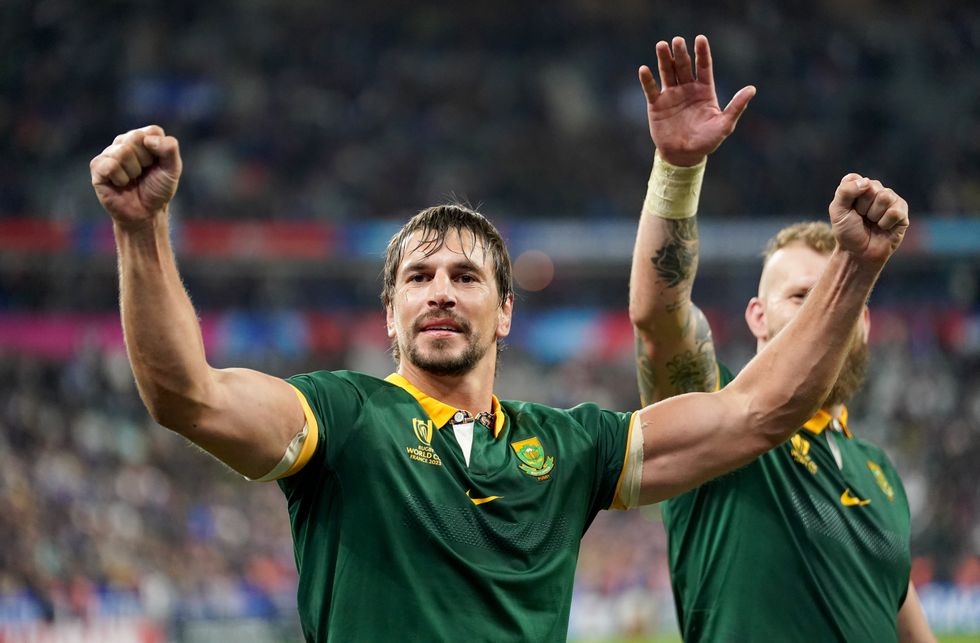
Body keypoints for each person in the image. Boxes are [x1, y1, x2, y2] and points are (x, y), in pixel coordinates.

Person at [90, 72, 905, 640]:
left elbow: (757, 411)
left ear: (506, 310)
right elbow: (185, 396)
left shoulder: (570, 446)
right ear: (391, 310)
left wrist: (857, 266)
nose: (440, 289)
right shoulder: (342, 419)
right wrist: (140, 229)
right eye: (419, 275)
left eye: (466, 275)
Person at [630, 35, 935, 642]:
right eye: (800, 297)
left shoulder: (881, 475)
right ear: (756, 318)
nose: (821, 313)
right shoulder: (719, 431)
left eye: (836, 297)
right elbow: (658, 317)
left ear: (865, 322)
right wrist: (679, 170)